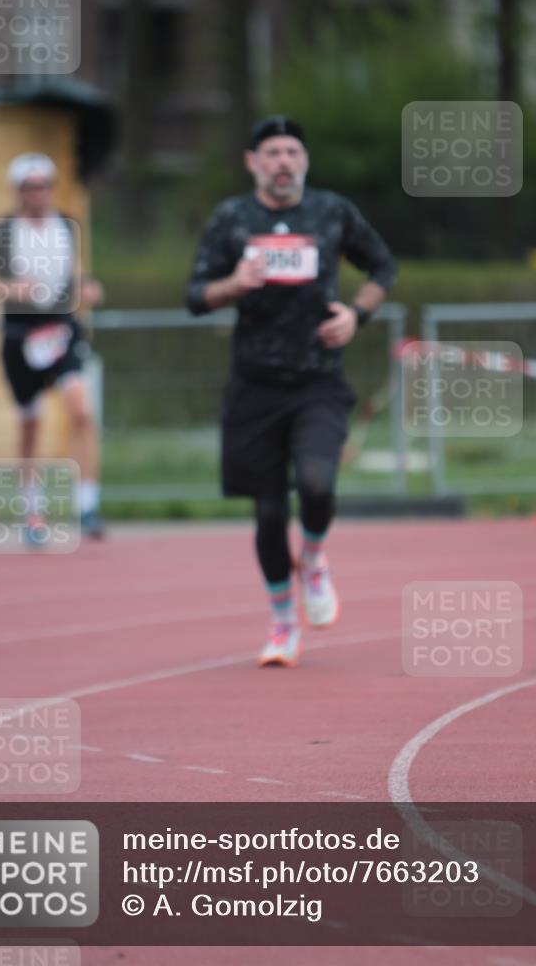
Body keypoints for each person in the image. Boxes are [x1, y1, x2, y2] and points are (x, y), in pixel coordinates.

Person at [186, 116, 396, 666]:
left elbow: (383, 266)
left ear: (304, 162)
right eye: (272, 152)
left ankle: (317, 557)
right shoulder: (233, 218)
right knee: (269, 514)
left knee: (317, 482)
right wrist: (235, 284)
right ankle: (283, 625)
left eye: (292, 152)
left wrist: (356, 314)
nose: (283, 161)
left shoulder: (331, 211)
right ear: (253, 163)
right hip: (254, 387)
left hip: (318, 381)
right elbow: (194, 294)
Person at [0, 153, 105, 541]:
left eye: (44, 186)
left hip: (60, 330)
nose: (38, 194)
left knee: (81, 410)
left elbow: (74, 275)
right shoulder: (1, 232)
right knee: (31, 421)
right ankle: (33, 511)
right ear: (17, 191)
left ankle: (87, 505)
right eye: (30, 187)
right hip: (19, 336)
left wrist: (86, 287)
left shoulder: (65, 226)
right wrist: (9, 289)